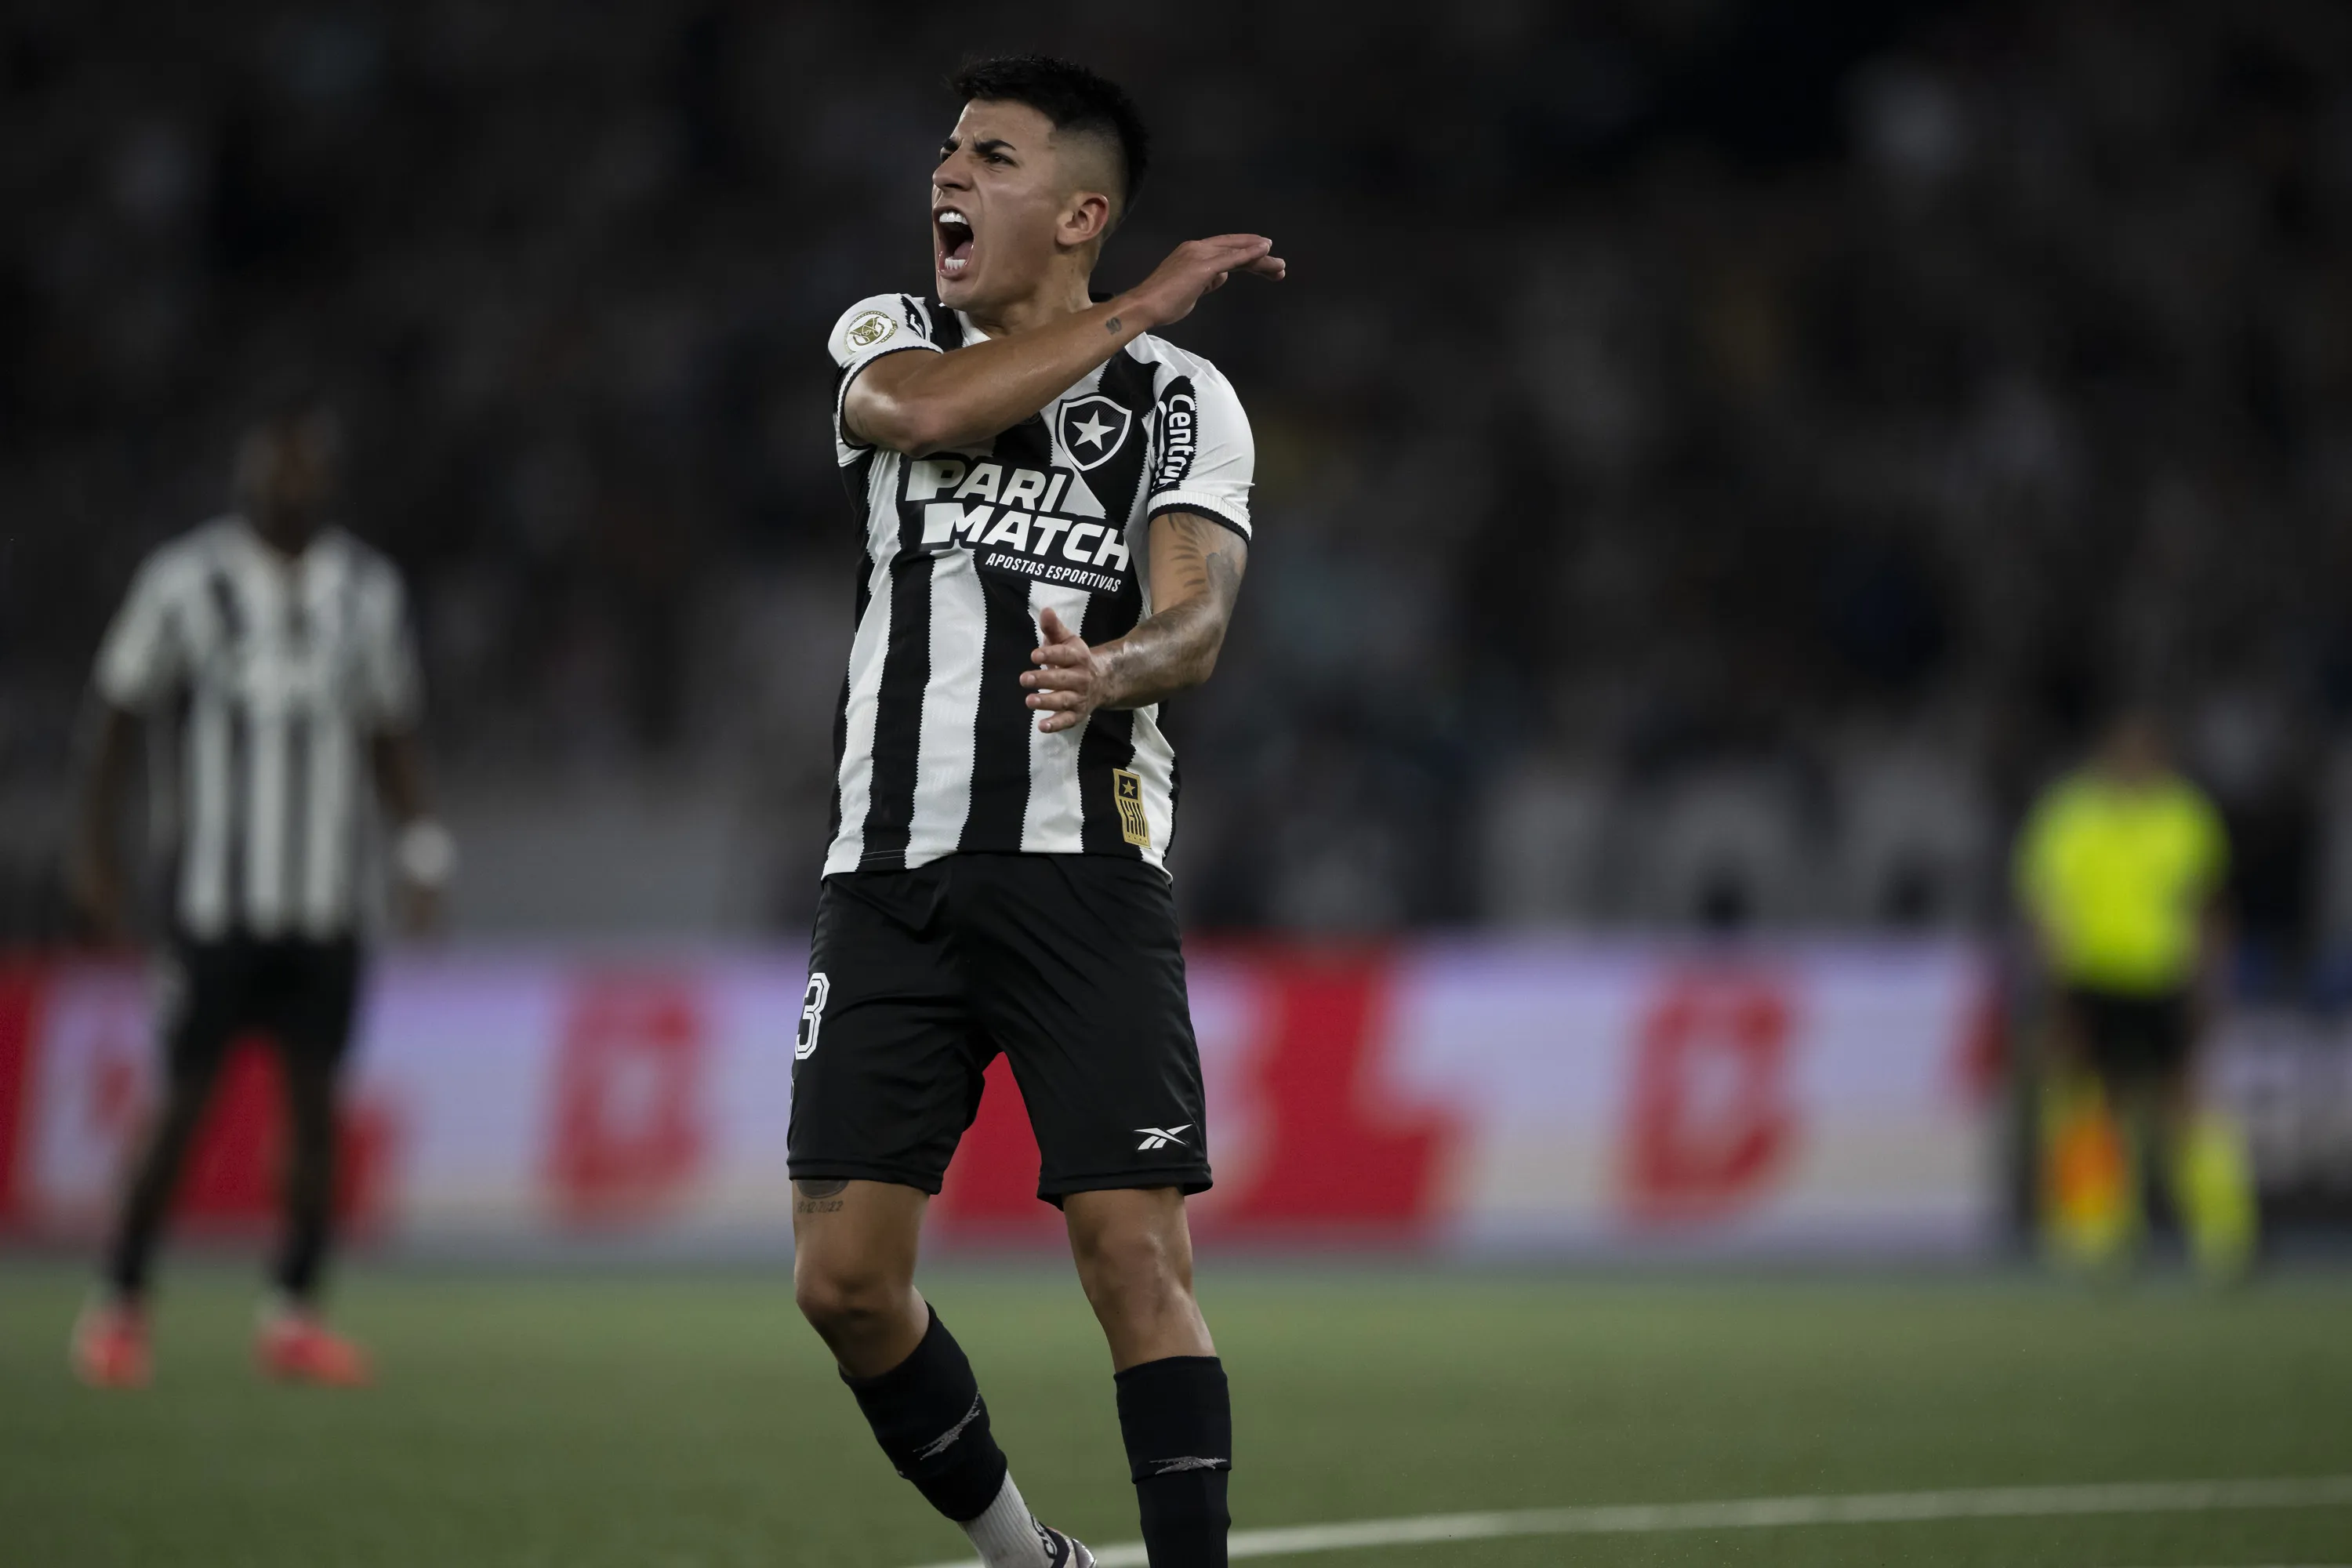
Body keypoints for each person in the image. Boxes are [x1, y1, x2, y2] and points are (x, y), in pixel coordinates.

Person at [788, 56, 1281, 1568]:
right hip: (886, 871)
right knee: (845, 1283)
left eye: (990, 158)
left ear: (1078, 210)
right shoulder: (890, 331)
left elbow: (1197, 621)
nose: (948, 175)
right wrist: (1125, 308)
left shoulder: (1187, 403)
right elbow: (924, 416)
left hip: (1085, 867)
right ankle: (1028, 1555)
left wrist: (1115, 664)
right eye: (947, 150)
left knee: (1133, 1255)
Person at [66, 402, 449, 1388]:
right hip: (213, 901)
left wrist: (420, 851)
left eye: (304, 470)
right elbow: (117, 711)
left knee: (317, 1109)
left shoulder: (365, 590)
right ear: (247, 476)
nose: (289, 486)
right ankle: (119, 1300)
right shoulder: (185, 582)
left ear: (324, 478)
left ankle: (292, 1310)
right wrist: (97, 852)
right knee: (185, 1100)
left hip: (324, 902)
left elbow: (389, 732)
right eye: (275, 470)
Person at [2016, 709, 2255, 1281]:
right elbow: (2047, 907)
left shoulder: (2185, 815)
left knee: (2183, 1104)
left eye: (2146, 751)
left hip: (2162, 976)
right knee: (2091, 1106)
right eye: (2125, 750)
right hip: (2092, 975)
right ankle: (2097, 1238)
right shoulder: (2071, 815)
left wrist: (2210, 981)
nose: (2135, 762)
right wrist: (2053, 987)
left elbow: (2209, 906)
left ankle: (2225, 1237)